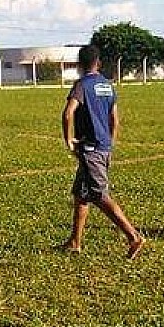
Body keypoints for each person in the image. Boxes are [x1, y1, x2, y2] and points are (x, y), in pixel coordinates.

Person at [60, 44, 146, 258]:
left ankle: (133, 236)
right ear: (98, 62)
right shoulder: (107, 86)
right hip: (104, 147)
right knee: (81, 194)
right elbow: (114, 120)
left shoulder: (81, 85)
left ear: (80, 64)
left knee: (98, 195)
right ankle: (75, 241)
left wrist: (68, 140)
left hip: (90, 149)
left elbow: (68, 114)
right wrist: (110, 144)